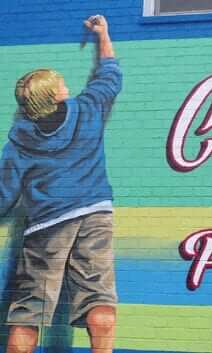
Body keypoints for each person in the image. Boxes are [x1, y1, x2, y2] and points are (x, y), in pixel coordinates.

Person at [1, 15, 122, 353]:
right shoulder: (88, 110)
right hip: (96, 215)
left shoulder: (17, 146)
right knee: (99, 298)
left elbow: (3, 198)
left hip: (46, 227)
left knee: (30, 310)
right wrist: (104, 35)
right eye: (61, 83)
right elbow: (110, 75)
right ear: (57, 95)